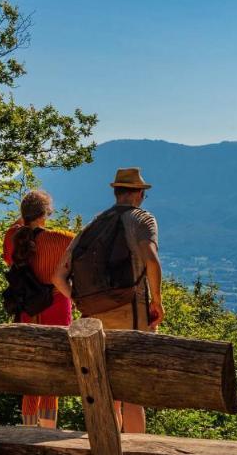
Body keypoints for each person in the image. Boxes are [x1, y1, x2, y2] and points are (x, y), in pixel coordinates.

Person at [53, 167, 164, 434]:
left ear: (116, 192)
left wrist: (78, 299)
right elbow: (151, 260)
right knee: (132, 393)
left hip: (94, 319)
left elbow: (58, 277)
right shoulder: (141, 219)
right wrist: (157, 302)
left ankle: (110, 453)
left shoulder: (93, 225)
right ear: (138, 194)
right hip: (130, 314)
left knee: (108, 393)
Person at [3, 189, 74, 427]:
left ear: (23, 215)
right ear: (45, 215)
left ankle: (27, 426)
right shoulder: (63, 239)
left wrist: (23, 221)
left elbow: (14, 240)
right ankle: (48, 429)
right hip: (56, 308)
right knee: (52, 370)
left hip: (27, 311)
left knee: (30, 371)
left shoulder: (12, 238)